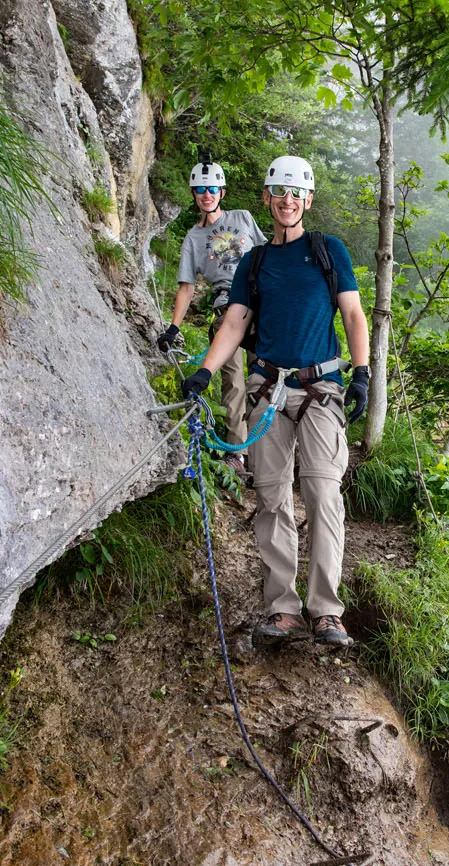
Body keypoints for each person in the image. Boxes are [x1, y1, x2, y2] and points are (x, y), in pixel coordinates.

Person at [180, 155, 370, 648]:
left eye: (296, 194)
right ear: (266, 198)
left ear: (307, 200)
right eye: (279, 193)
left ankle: (326, 611)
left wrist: (362, 371)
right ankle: (282, 608)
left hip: (320, 389)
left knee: (324, 495)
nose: (288, 201)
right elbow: (236, 321)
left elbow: (352, 313)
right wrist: (204, 370)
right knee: (270, 498)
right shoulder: (256, 261)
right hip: (267, 390)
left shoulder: (328, 251)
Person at [156, 156, 265, 475]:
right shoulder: (193, 238)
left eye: (212, 188)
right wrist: (174, 327)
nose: (207, 194)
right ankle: (238, 453)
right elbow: (187, 287)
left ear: (222, 191)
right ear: (194, 194)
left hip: (259, 306)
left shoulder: (243, 218)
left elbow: (266, 253)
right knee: (232, 381)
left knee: (264, 378)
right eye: (201, 189)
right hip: (225, 310)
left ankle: (267, 449)